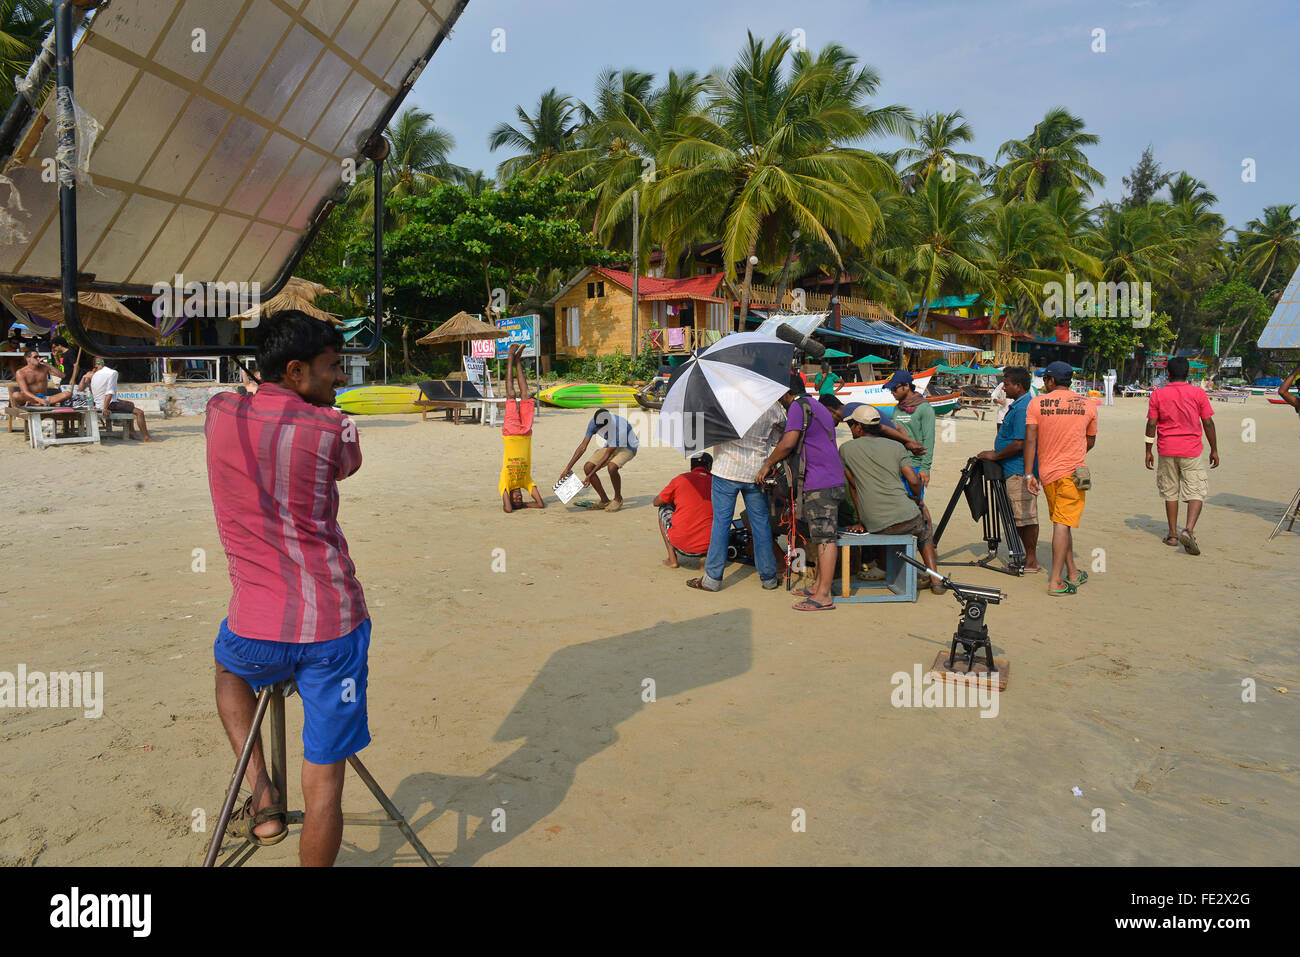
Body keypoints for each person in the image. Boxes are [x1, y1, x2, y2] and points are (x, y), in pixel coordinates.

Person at [205, 310, 370, 866]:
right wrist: (319, 410)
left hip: (255, 628)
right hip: (332, 626)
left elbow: (234, 398)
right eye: (331, 369)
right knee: (324, 787)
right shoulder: (334, 428)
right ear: (296, 371)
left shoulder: (219, 413)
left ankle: (263, 793)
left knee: (229, 671)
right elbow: (346, 463)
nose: (337, 380)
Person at [759, 374, 847, 611]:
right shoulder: (816, 405)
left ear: (787, 394)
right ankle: (818, 586)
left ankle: (824, 596)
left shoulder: (798, 406)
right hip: (829, 479)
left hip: (822, 483)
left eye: (780, 399)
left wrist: (767, 464)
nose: (781, 404)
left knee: (826, 538)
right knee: (820, 536)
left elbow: (788, 443)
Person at [839, 405, 944, 595]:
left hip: (874, 522)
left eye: (852, 425)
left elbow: (854, 487)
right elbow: (913, 480)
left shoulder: (845, 449)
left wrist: (862, 521)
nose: (851, 429)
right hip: (907, 518)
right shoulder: (896, 447)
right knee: (925, 530)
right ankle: (936, 579)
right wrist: (916, 499)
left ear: (859, 428)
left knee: (898, 523)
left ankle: (884, 566)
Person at [687, 405, 784, 592]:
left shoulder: (724, 402)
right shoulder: (772, 407)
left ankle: (712, 579)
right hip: (756, 472)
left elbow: (709, 431)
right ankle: (769, 578)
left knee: (721, 524)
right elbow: (778, 438)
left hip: (726, 470)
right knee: (761, 525)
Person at [1024, 360, 1098, 596]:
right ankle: (1056, 581)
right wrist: (1073, 454)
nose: (1044, 383)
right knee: (1062, 524)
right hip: (1073, 473)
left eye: (1045, 379)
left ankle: (1072, 571)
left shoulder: (1036, 404)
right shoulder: (1088, 405)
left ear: (1051, 380)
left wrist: (1029, 474)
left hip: (1047, 474)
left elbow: (1030, 441)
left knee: (1061, 522)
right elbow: (1090, 440)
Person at [1145, 356, 1218, 554]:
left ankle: (1171, 535)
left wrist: (1148, 451)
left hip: (1167, 449)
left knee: (1170, 492)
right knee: (1196, 490)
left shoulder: (1158, 395)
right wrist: (1214, 449)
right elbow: (1208, 423)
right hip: (1191, 450)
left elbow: (1152, 423)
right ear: (1188, 374)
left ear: (1167, 373)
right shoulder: (1198, 393)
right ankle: (1188, 530)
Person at [976, 366, 1041, 572]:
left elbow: (1021, 442)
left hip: (1018, 470)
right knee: (1018, 516)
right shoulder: (1018, 404)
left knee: (1025, 517)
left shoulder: (1023, 407)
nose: (1003, 386)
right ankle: (1027, 557)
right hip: (1012, 468)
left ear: (1019, 386)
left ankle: (1031, 560)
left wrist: (995, 455)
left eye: (1007, 382)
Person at [558, 407, 639, 512]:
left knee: (612, 467)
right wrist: (567, 469)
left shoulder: (619, 426)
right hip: (611, 445)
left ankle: (618, 499)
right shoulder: (594, 422)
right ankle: (604, 500)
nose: (598, 429)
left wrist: (589, 476)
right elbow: (583, 446)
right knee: (588, 467)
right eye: (597, 427)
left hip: (628, 446)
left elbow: (608, 454)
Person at [885, 370, 936, 522]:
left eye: (894, 388)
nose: (892, 392)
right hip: (897, 464)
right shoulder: (897, 408)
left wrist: (926, 468)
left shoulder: (924, 409)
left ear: (906, 386)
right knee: (896, 506)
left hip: (916, 465)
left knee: (914, 506)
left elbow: (929, 440)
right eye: (890, 389)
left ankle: (921, 540)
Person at [501, 344, 545, 513]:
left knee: (511, 395)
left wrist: (513, 506)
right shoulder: (526, 481)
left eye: (515, 499)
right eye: (521, 499)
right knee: (526, 395)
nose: (518, 498)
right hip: (526, 433)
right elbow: (540, 504)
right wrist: (526, 505)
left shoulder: (505, 482)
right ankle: (518, 360)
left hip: (511, 433)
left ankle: (510, 358)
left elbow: (508, 509)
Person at [655, 453, 713, 568]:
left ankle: (672, 560)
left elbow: (657, 502)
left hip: (681, 544)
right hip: (710, 545)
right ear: (710, 466)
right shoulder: (717, 483)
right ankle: (707, 557)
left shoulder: (680, 479)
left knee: (663, 508)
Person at [82, 357, 156, 441]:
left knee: (130, 404)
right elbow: (109, 393)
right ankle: (147, 437)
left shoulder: (94, 374)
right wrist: (105, 408)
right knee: (140, 413)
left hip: (99, 403)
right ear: (115, 367)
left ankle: (131, 431)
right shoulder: (112, 373)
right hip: (108, 404)